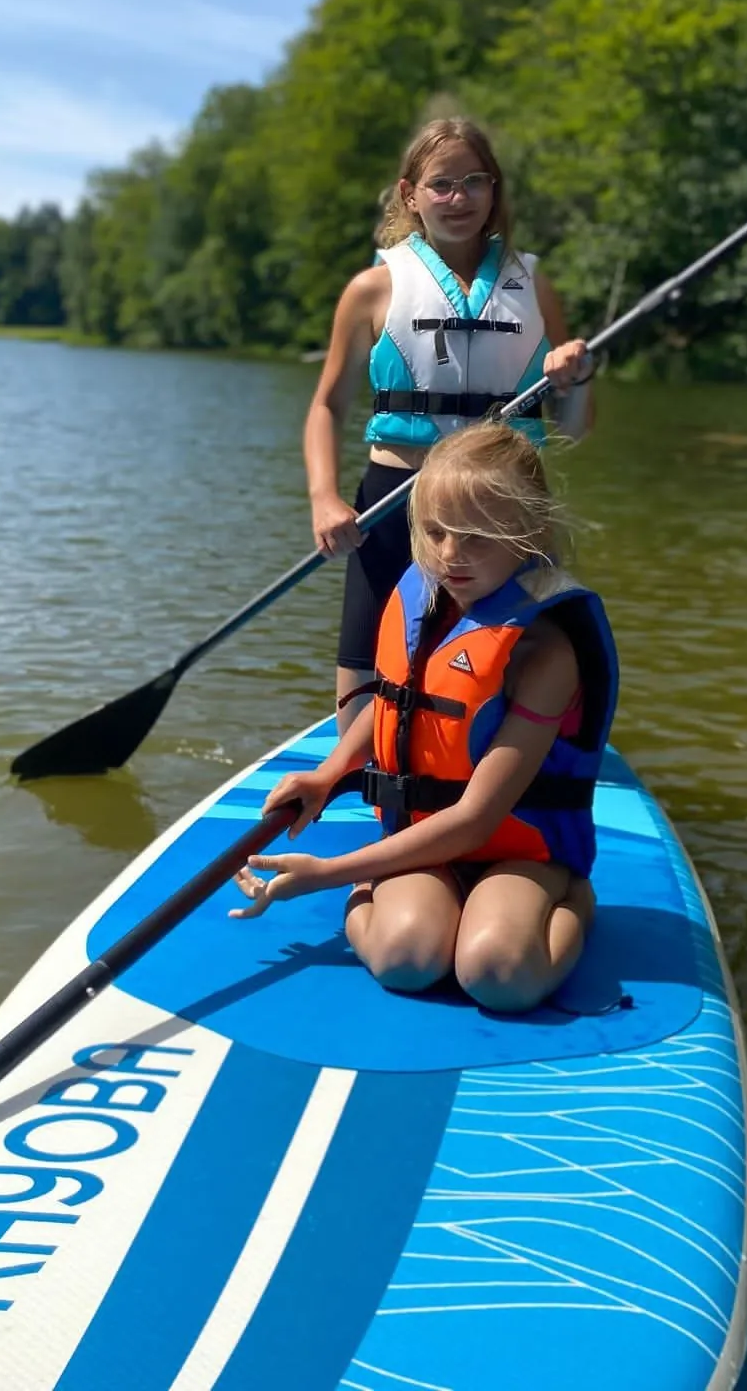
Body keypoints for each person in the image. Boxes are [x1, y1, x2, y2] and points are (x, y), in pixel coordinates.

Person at [231, 424, 618, 1014]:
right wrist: (329, 773)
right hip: (422, 841)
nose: (450, 554)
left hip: (519, 851)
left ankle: (574, 899)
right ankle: (386, 888)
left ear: (527, 532)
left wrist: (327, 872)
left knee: (499, 975)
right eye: (436, 532)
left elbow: (475, 820)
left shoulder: (546, 652)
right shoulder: (430, 599)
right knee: (406, 959)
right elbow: (397, 701)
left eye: (477, 537)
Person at [303, 113, 591, 737]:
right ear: (411, 195)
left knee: (511, 668)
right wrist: (325, 498)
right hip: (394, 505)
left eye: (473, 182)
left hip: (506, 508)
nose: (458, 198)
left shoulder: (535, 286)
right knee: (365, 689)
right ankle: (370, 767)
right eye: (441, 184)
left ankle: (498, 763)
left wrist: (577, 378)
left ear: (494, 190)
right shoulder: (371, 290)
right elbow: (327, 406)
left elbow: (578, 427)